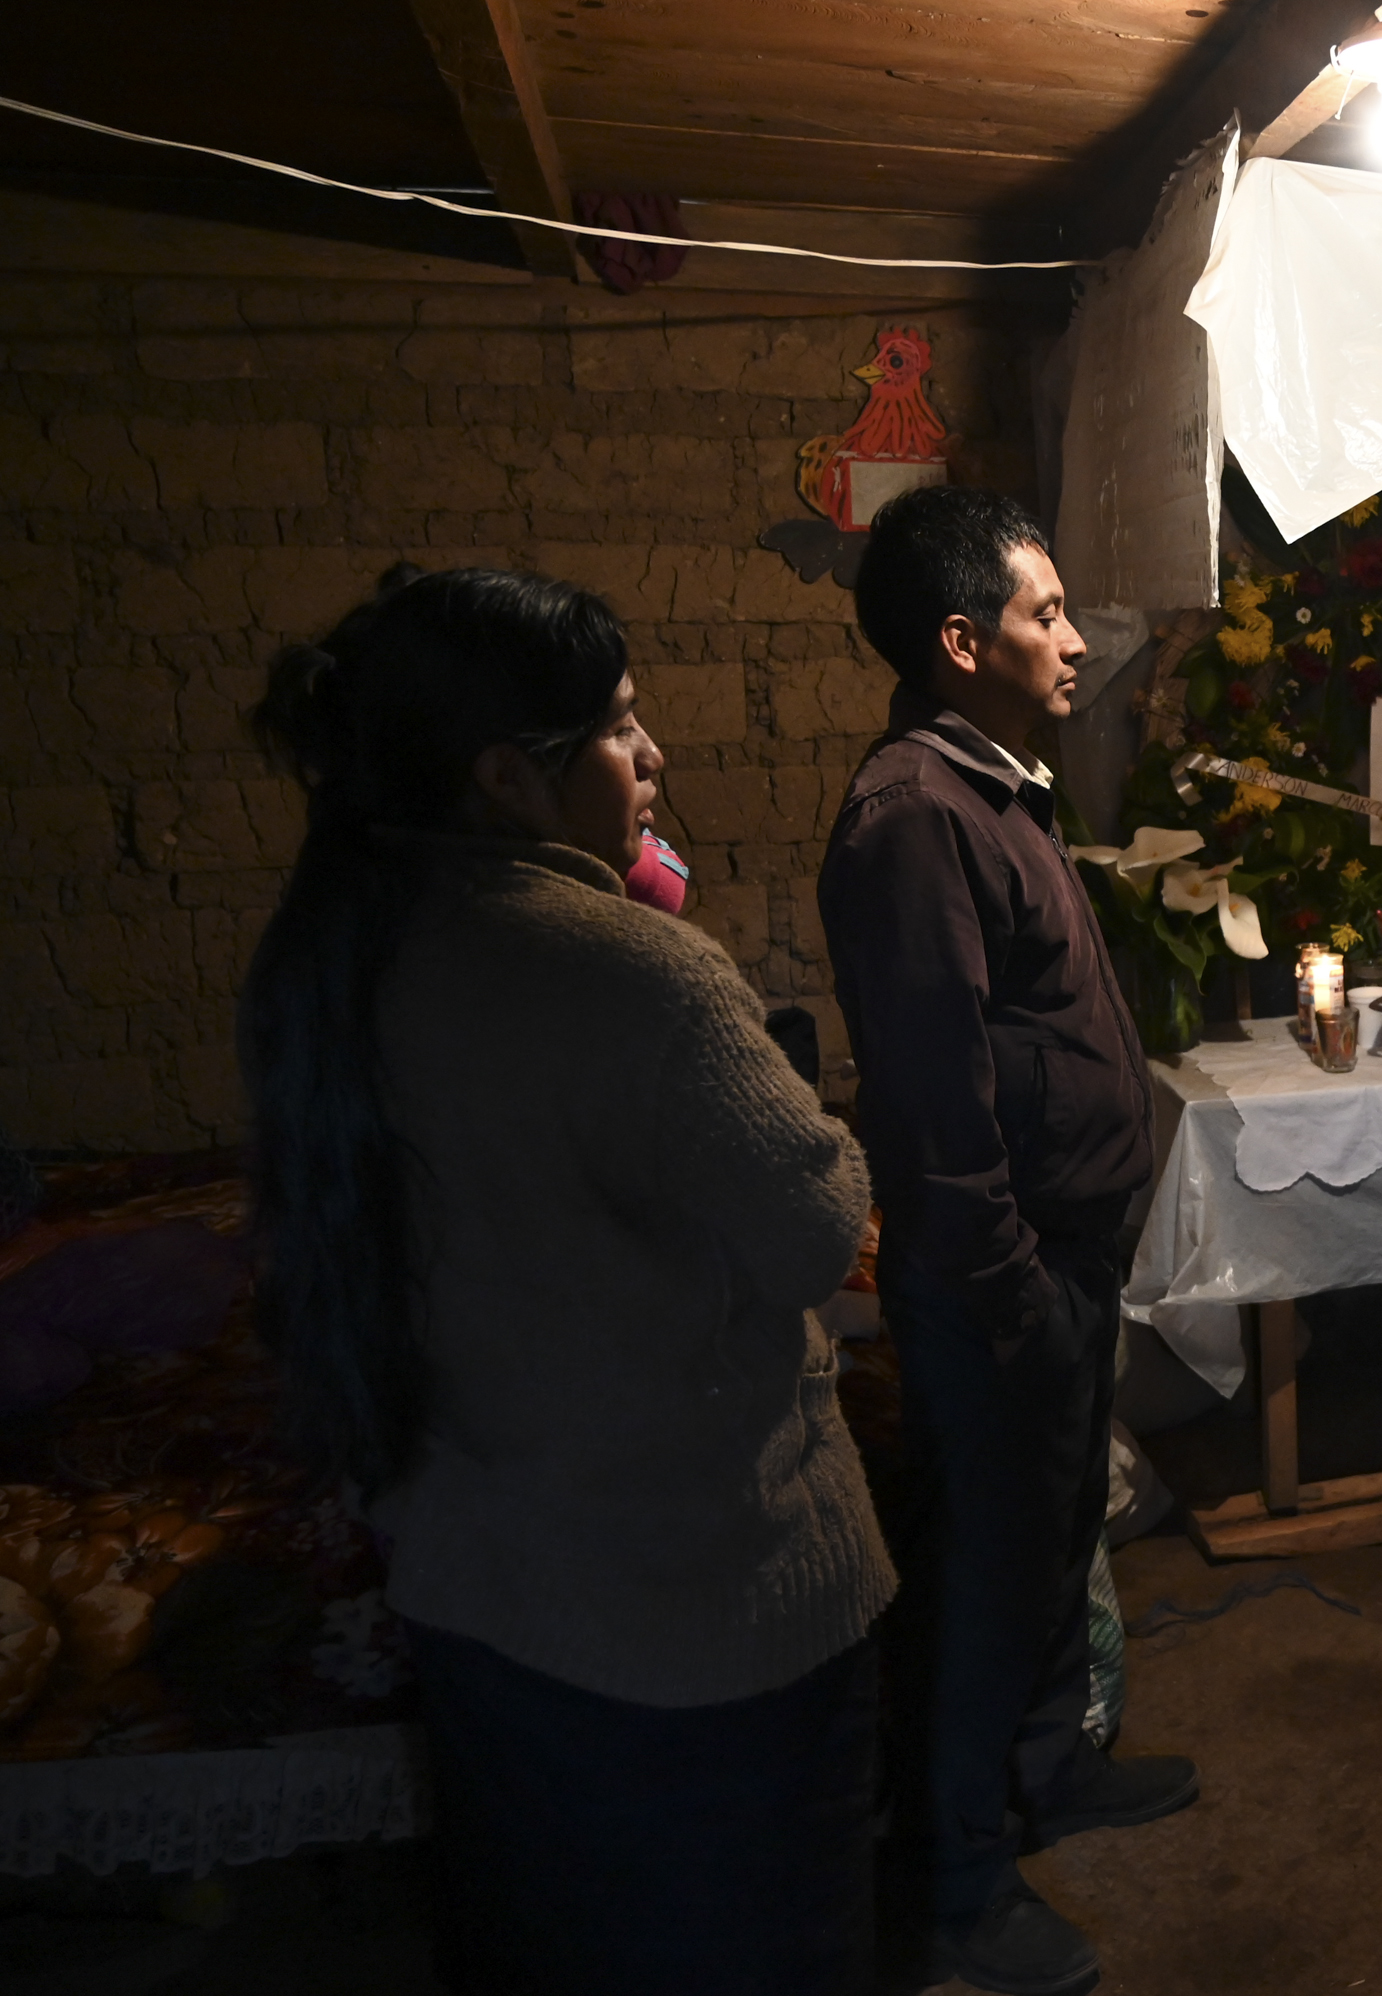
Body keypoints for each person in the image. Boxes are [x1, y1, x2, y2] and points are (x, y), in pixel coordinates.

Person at [236, 567, 894, 1995]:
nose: (651, 756)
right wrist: (713, 992)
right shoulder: (633, 974)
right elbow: (812, 1227)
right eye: (617, 725)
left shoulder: (339, 951)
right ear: (506, 777)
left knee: (558, 1937)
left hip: (481, 1596)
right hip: (700, 1616)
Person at [818, 486, 1191, 1996]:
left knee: (1048, 1539)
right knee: (982, 1576)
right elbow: (933, 1095)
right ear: (964, 642)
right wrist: (1006, 1290)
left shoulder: (996, 786)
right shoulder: (916, 817)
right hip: (1003, 1274)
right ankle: (958, 1882)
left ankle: (1049, 1771)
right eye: (1046, 612)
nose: (1076, 637)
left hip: (1059, 1256)